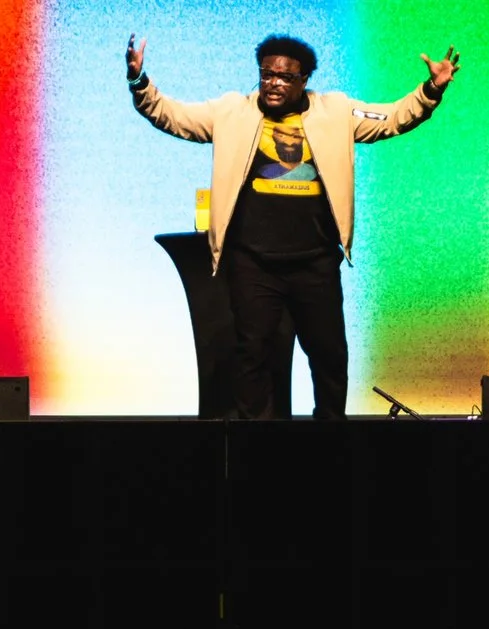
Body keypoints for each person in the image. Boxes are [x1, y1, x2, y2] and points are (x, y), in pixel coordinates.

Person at [127, 30, 459, 418]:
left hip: (314, 260)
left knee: (329, 355)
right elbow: (173, 116)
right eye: (266, 74)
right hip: (252, 261)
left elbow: (390, 119)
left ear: (304, 81)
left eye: (285, 77)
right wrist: (140, 82)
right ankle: (254, 449)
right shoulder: (232, 111)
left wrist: (430, 91)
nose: (273, 83)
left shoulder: (335, 112)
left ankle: (330, 441)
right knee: (252, 356)